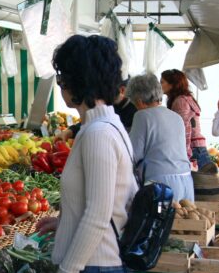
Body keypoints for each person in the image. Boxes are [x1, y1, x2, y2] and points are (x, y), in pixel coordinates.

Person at [36, 35, 138, 273]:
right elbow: (113, 199)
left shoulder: (97, 134)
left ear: (78, 81)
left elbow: (98, 215)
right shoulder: (108, 126)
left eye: (63, 78)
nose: (61, 85)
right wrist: (65, 222)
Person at [127, 73, 194, 202]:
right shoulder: (176, 117)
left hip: (161, 185)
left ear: (139, 101)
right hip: (186, 181)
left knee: (158, 221)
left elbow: (133, 154)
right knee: (184, 220)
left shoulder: (142, 116)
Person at [160, 69, 210, 168]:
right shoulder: (183, 98)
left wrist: (186, 155)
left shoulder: (180, 101)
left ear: (172, 84)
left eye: (162, 82)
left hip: (193, 149)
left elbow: (184, 128)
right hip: (196, 147)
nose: (159, 85)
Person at [58, 79, 135, 141]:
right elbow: (91, 120)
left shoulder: (135, 112)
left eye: (108, 89)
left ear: (122, 90)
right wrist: (70, 131)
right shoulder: (109, 105)